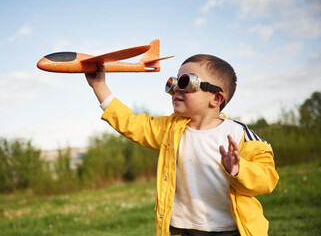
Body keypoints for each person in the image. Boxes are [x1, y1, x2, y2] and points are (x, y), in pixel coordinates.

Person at [85, 54, 279, 236]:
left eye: (186, 82)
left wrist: (239, 169)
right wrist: (100, 86)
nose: (176, 88)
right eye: (174, 82)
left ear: (216, 98)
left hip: (231, 229)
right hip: (187, 230)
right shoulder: (169, 129)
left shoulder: (239, 135)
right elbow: (132, 124)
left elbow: (268, 178)